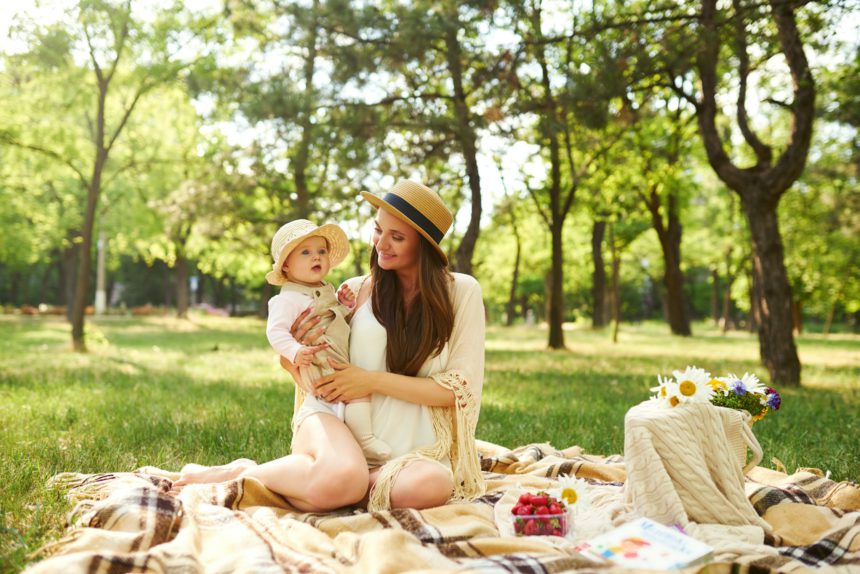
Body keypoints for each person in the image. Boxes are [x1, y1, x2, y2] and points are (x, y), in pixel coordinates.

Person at [175, 179, 485, 513]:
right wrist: (297, 357)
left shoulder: (461, 292)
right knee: (343, 475)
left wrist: (369, 380)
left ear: (423, 246)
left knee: (433, 484)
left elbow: (458, 390)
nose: (382, 244)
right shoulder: (350, 292)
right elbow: (293, 357)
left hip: (409, 454)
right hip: (333, 423)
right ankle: (241, 475)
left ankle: (326, 484)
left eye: (397, 237)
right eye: (378, 230)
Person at [264, 218, 391, 463]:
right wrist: (295, 351)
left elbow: (333, 320)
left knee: (356, 392)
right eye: (306, 252)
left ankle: (361, 440)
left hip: (335, 358)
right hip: (316, 361)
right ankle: (360, 441)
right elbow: (276, 332)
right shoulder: (287, 299)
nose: (317, 257)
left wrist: (344, 305)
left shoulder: (324, 290)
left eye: (322, 251)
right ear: (286, 266)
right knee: (346, 393)